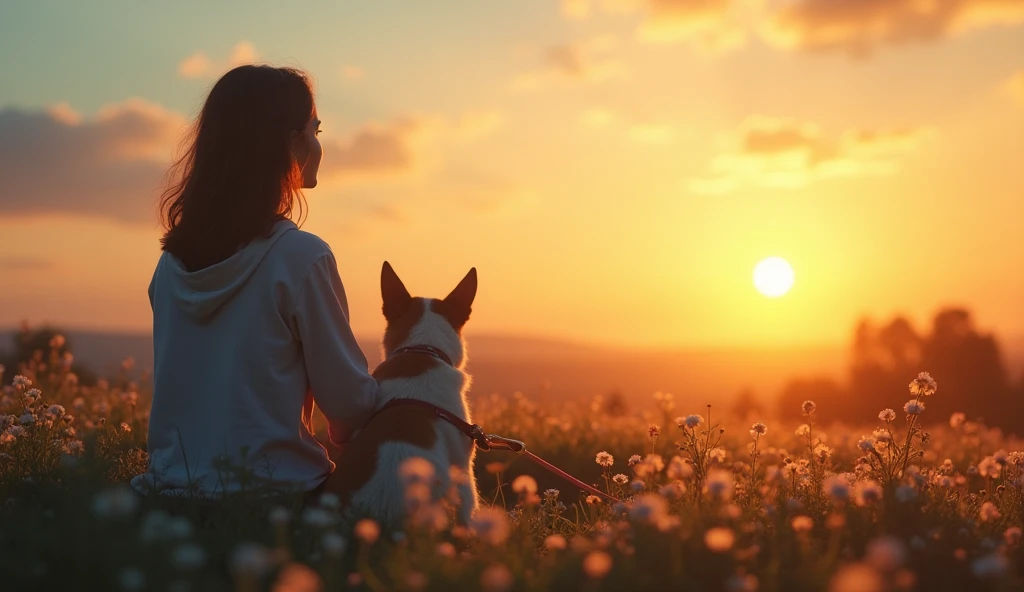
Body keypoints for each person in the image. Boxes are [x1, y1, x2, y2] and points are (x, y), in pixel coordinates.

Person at [131, 65, 381, 498]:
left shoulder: (170, 266)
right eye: (314, 129)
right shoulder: (301, 258)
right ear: (290, 142)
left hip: (169, 495)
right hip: (276, 497)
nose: (319, 144)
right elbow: (348, 405)